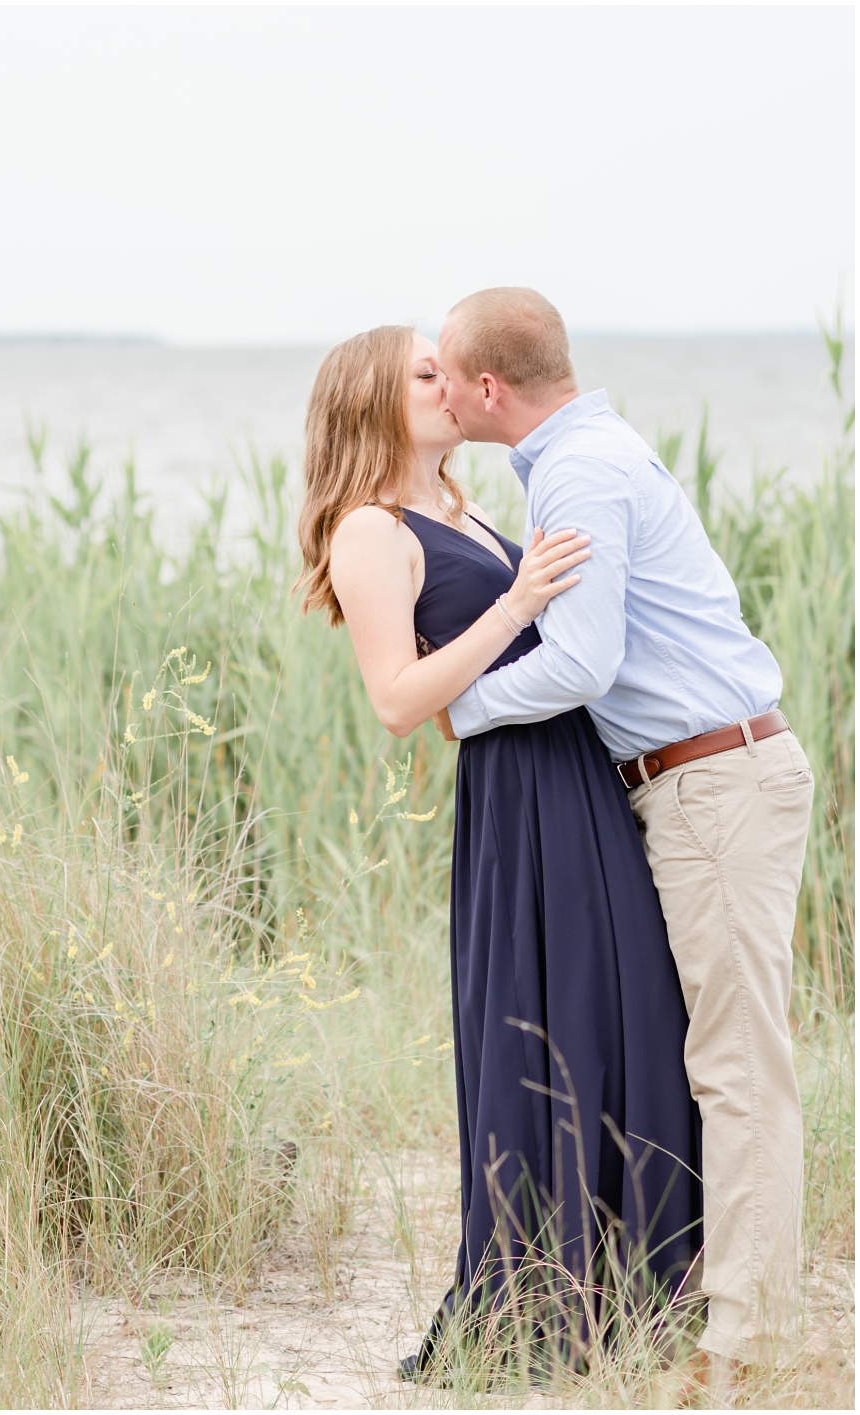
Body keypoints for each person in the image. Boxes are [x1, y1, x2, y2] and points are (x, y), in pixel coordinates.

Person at [296, 324, 703, 1384]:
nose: (451, 386)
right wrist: (519, 603)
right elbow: (397, 702)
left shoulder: (464, 505)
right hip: (518, 796)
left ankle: (637, 1280)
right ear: (374, 399)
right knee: (546, 1021)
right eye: (424, 373)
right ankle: (538, 1295)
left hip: (577, 772)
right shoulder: (369, 530)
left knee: (632, 1008)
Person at [438, 287, 816, 1391]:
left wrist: (459, 707)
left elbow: (584, 663)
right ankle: (709, 1295)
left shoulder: (581, 471)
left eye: (449, 374)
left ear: (489, 388)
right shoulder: (584, 454)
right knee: (717, 1056)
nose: (444, 392)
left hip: (714, 785)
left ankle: (745, 1346)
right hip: (700, 779)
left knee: (738, 1068)